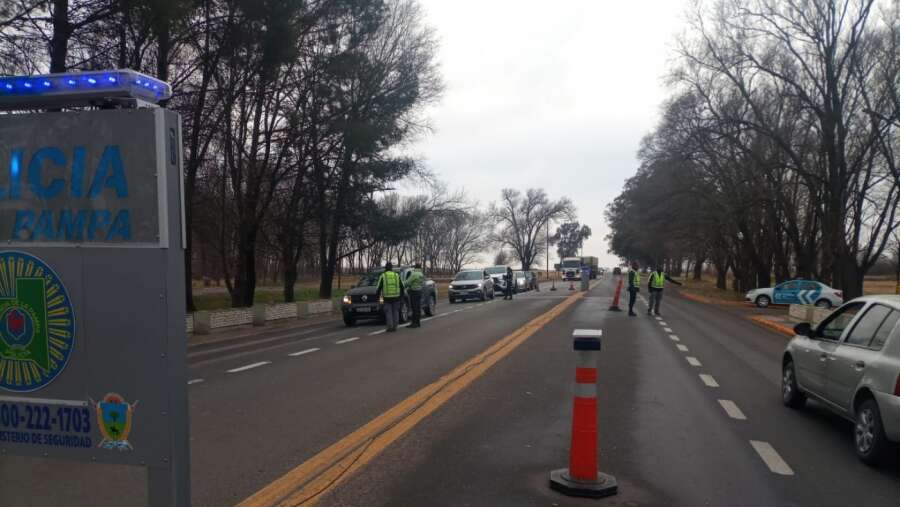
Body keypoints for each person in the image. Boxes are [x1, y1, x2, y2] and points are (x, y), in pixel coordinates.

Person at [376, 261, 405, 332]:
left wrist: (378, 297)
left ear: (385, 268)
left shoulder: (383, 275)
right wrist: (401, 296)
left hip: (387, 297)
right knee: (396, 311)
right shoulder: (396, 275)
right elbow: (402, 286)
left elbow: (378, 288)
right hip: (396, 297)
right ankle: (395, 326)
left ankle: (390, 327)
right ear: (392, 268)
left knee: (388, 312)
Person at [406, 263, 425, 328]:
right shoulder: (421, 274)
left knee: (414, 308)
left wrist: (403, 284)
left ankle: (414, 323)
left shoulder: (414, 274)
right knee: (418, 307)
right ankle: (418, 322)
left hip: (414, 292)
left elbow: (407, 282)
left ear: (415, 267)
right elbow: (423, 283)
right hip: (420, 291)